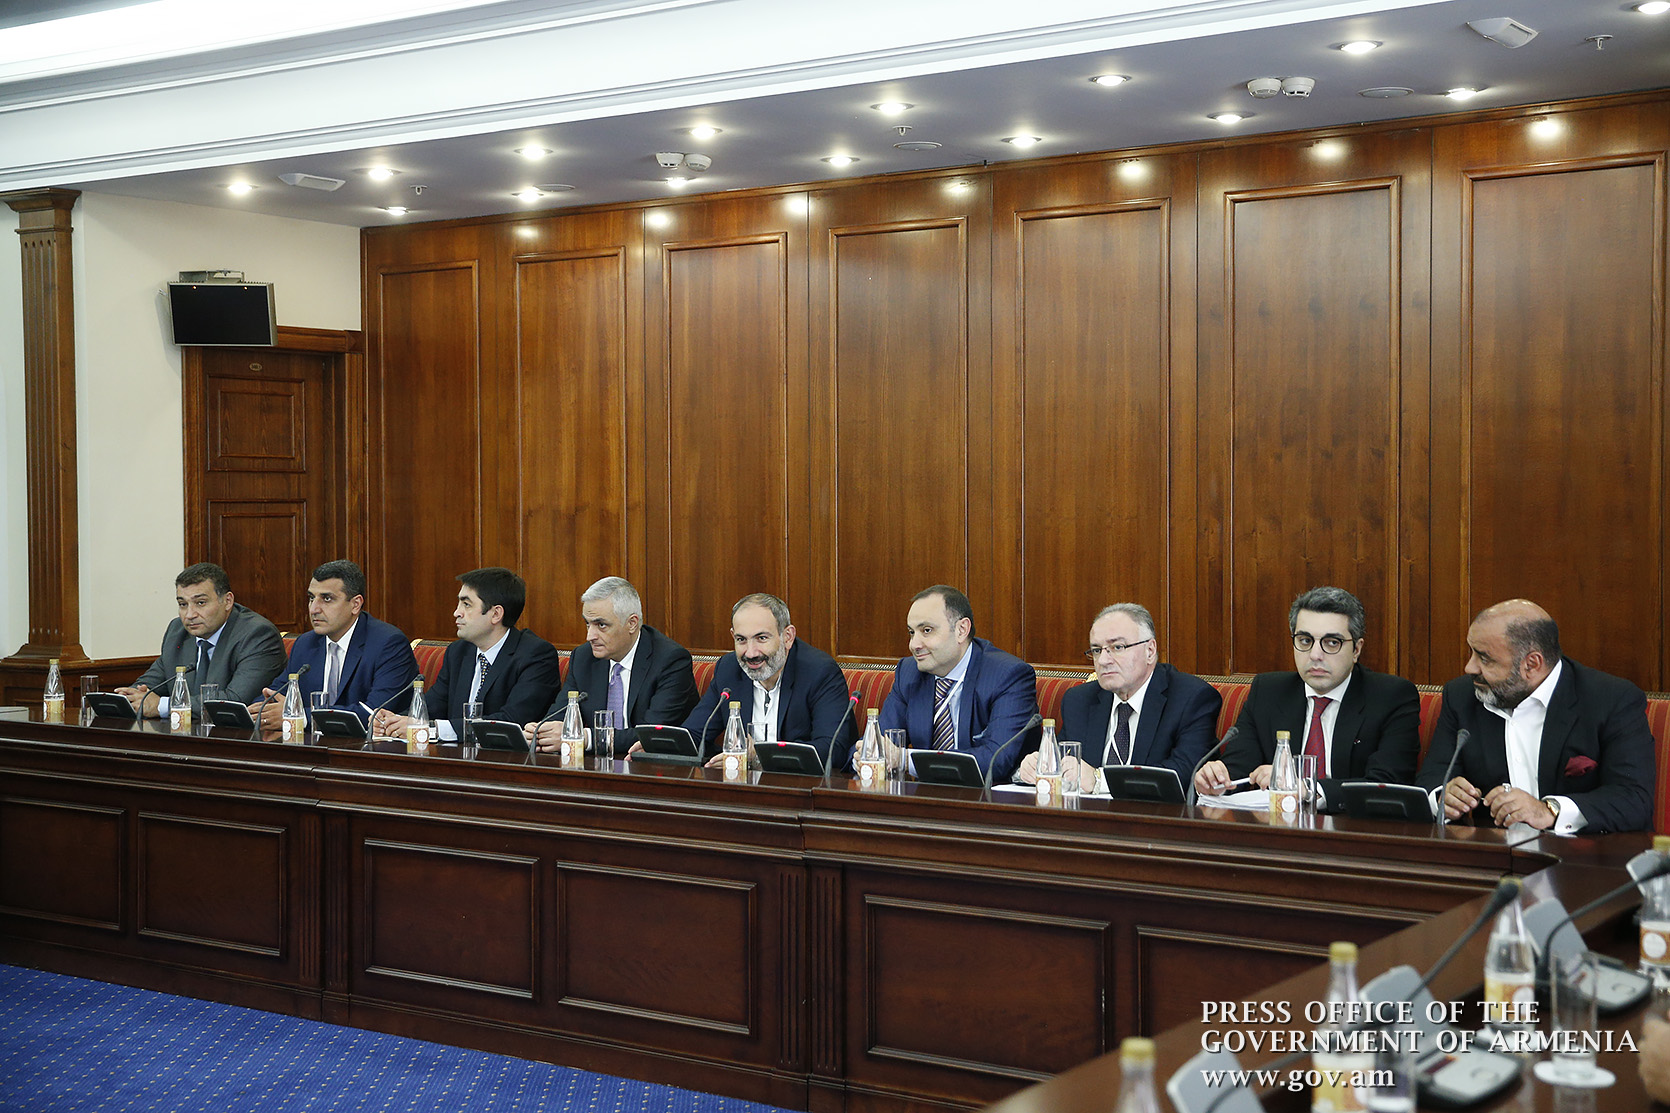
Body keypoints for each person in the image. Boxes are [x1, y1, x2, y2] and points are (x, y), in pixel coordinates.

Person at [1416, 599, 1655, 834]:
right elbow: (1433, 776)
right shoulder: (1462, 696)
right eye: (1472, 653)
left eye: (1484, 658)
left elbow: (1633, 799)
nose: (1470, 668)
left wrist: (1549, 811)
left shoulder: (1611, 699)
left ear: (1531, 664)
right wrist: (1443, 797)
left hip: (1586, 851)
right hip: (1493, 850)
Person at [1194, 586, 1420, 810]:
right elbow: (1238, 768)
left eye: (1332, 642)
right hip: (1278, 826)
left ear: (1356, 650)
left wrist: (1308, 789)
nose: (1315, 655)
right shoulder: (1268, 692)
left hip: (1354, 826)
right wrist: (1217, 781)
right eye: (1305, 640)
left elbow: (1387, 783)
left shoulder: (1392, 697)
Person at [1017, 603, 1220, 795]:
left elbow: (1183, 774)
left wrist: (1099, 780)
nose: (1103, 660)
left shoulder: (1190, 698)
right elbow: (1065, 762)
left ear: (1150, 651)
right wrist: (1037, 768)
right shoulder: (1079, 700)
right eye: (1097, 650)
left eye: (1118, 647)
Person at [870, 585, 1039, 782]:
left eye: (926, 630)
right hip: (924, 796)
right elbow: (878, 744)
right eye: (911, 632)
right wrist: (866, 755)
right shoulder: (909, 673)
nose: (914, 644)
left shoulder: (1007, 675)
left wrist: (905, 760)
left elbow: (996, 760)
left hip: (991, 797)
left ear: (961, 630)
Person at [371, 567, 560, 742]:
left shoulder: (535, 655)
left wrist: (430, 729)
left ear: (496, 614)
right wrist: (396, 721)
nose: (456, 612)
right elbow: (433, 705)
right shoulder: (458, 652)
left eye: (467, 604)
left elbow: (511, 721)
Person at [524, 576, 698, 752]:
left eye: (601, 625)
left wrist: (584, 738)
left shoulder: (670, 660)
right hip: (598, 764)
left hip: (658, 764)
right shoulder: (584, 657)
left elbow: (652, 735)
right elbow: (561, 714)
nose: (590, 636)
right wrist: (540, 732)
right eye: (588, 624)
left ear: (632, 624)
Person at [681, 593, 855, 766]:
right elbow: (692, 737)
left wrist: (760, 755)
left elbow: (832, 750)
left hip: (799, 781)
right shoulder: (728, 669)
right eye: (741, 640)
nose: (751, 653)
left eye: (762, 638)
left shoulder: (819, 672)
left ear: (787, 637)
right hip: (742, 780)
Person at [251, 559, 418, 729]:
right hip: (312, 743)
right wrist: (258, 711)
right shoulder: (306, 644)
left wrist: (299, 717)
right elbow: (277, 693)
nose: (314, 609)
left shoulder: (388, 644)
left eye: (327, 599)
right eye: (311, 598)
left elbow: (374, 714)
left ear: (355, 604)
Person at [117, 562, 286, 716]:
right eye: (183, 604)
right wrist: (131, 697)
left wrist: (163, 706)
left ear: (227, 601)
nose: (190, 615)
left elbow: (234, 700)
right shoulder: (178, 631)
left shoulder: (257, 634)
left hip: (240, 735)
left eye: (200, 603)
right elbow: (150, 683)